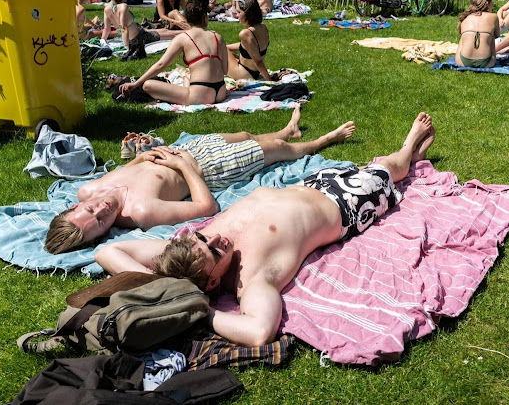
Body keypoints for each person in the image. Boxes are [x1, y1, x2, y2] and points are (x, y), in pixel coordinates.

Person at [94, 113, 436, 347]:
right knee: (385, 170)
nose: (216, 238)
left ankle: (411, 160)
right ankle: (409, 150)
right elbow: (259, 332)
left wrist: (162, 285)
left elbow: (107, 251)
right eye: (214, 251)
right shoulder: (252, 279)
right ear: (211, 283)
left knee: (363, 168)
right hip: (342, 205)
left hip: (306, 185)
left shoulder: (184, 255)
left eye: (202, 237)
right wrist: (198, 309)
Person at [45, 107, 356, 254]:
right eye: (101, 222)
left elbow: (129, 169)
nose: (103, 210)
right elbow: (206, 207)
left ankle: (288, 130)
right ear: (104, 233)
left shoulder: (89, 188)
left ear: (75, 207)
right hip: (209, 167)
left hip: (190, 148)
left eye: (91, 211)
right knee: (277, 150)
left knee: (245, 135)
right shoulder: (140, 212)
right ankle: (323, 141)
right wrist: (183, 166)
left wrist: (145, 157)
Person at [120, 0, 226, 104]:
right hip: (221, 92)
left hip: (200, 95)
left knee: (148, 85)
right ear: (205, 18)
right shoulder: (217, 36)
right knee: (187, 76)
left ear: (187, 20)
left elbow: (161, 65)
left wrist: (136, 83)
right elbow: (225, 70)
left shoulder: (183, 37)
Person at [102, 0, 181, 61]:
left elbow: (106, 29)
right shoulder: (123, 6)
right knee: (171, 34)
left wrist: (102, 41)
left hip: (140, 31)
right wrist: (127, 48)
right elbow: (124, 28)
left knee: (164, 31)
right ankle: (187, 33)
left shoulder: (106, 9)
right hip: (139, 37)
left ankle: (187, 32)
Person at [226, 0, 274, 80]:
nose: (237, 15)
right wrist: (226, 47)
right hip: (255, 72)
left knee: (217, 47)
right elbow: (249, 47)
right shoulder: (263, 27)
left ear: (246, 13)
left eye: (239, 12)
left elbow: (258, 61)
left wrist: (269, 80)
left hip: (243, 74)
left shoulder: (245, 33)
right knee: (222, 48)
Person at [456, 0, 500, 68]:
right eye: (492, 4)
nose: (492, 7)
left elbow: (460, 32)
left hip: (462, 61)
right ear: (487, 3)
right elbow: (497, 35)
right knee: (491, 34)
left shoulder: (465, 17)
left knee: (465, 35)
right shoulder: (494, 16)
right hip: (487, 62)